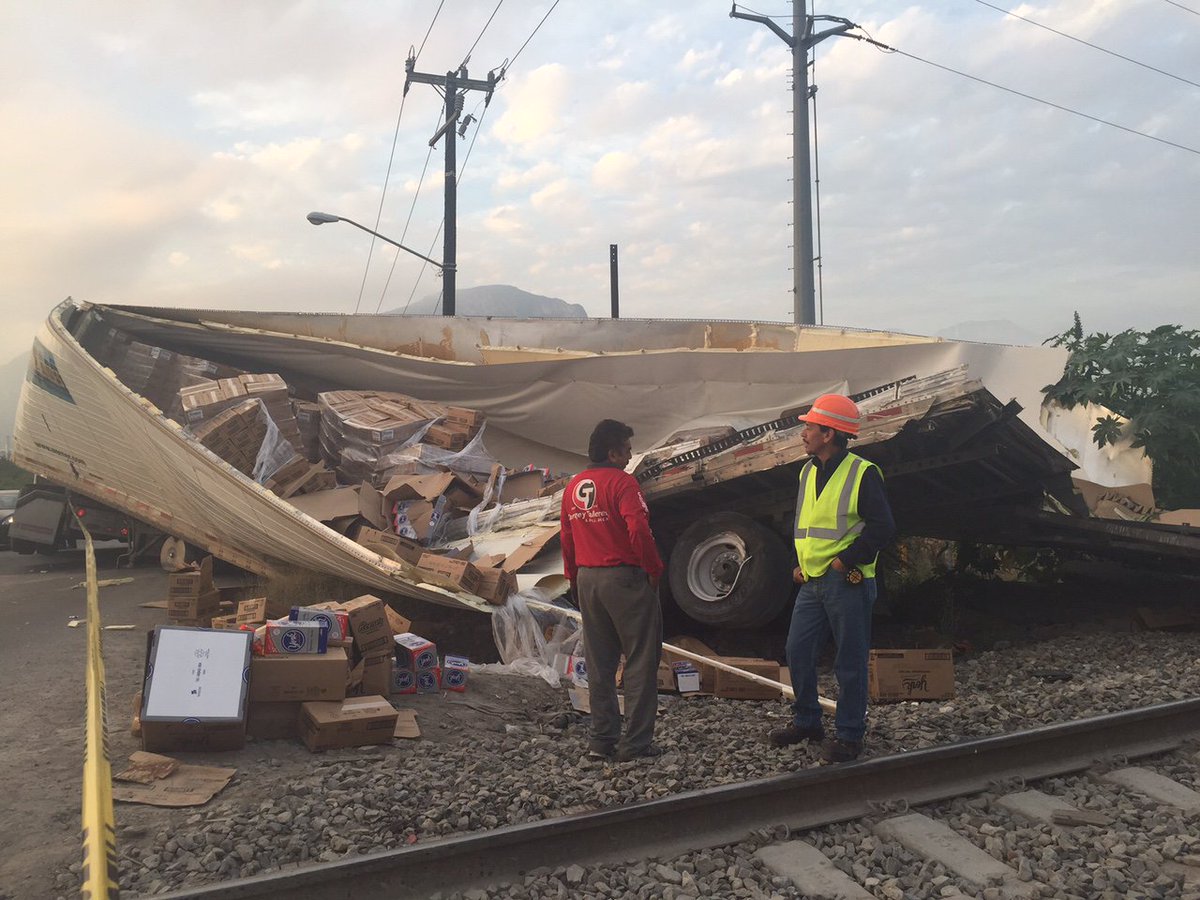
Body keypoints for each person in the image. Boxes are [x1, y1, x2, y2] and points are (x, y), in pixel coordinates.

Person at [769, 393, 895, 763]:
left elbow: (883, 527)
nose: (803, 433)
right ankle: (808, 721)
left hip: (847, 581)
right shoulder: (807, 471)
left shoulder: (863, 472)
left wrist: (845, 560)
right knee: (797, 651)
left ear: (829, 434)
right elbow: (803, 524)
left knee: (850, 661)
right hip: (812, 581)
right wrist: (797, 561)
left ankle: (850, 735)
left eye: (809, 426)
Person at [561, 419, 665, 763]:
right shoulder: (623, 483)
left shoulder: (574, 486)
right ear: (612, 452)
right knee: (639, 658)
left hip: (588, 578)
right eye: (627, 449)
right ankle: (635, 744)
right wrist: (653, 568)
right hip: (624, 578)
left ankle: (601, 739)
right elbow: (638, 527)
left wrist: (573, 578)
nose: (630, 455)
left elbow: (566, 537)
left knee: (599, 661)